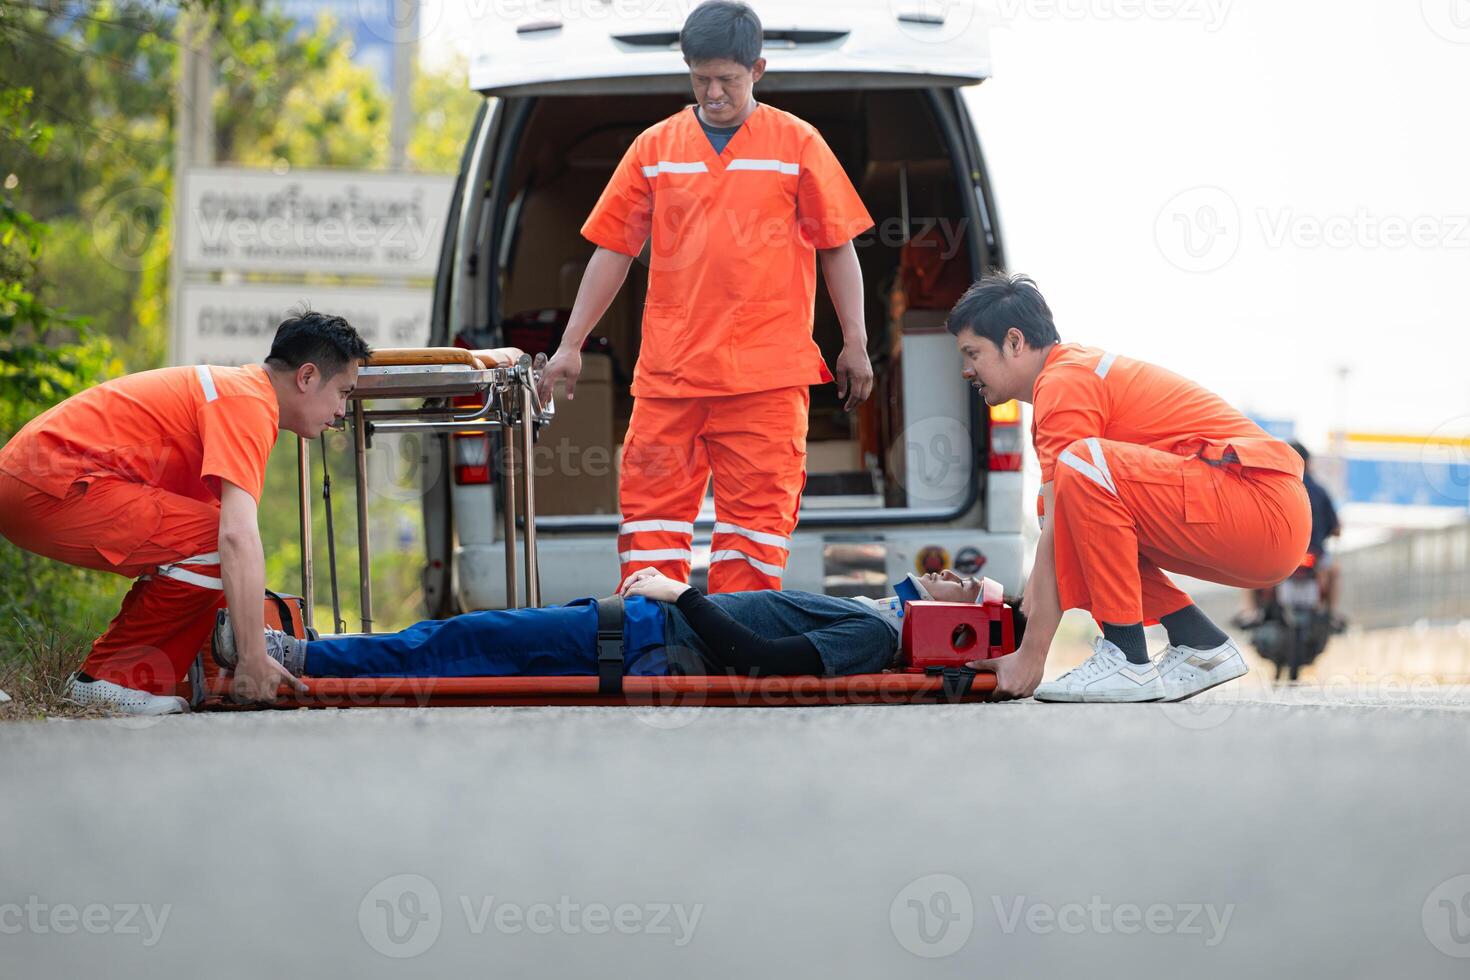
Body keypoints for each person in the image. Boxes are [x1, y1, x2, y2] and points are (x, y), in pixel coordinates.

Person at [535, 0, 876, 594]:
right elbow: (612, 250)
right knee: (651, 534)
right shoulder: (655, 148)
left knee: (756, 540)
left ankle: (737, 674)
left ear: (758, 70)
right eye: (700, 79)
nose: (713, 92)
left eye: (728, 80)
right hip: (672, 377)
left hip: (765, 382)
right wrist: (570, 345)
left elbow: (837, 246)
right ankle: (652, 662)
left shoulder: (797, 144)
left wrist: (856, 343)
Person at [949, 273, 1311, 703]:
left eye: (973, 353)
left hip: (1261, 506)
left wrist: (1030, 655)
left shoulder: (1064, 381)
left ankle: (1127, 659)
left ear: (1014, 342)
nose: (966, 369)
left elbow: (1056, 532)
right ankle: (1199, 643)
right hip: (1261, 520)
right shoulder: (1068, 377)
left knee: (1079, 468)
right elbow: (1066, 533)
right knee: (1072, 509)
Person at [0, 311, 370, 715]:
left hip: (32, 479)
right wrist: (251, 655)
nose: (341, 412)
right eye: (343, 392)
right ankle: (108, 681)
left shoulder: (241, 393)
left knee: (208, 533)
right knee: (216, 538)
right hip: (50, 482)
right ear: (307, 377)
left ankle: (149, 678)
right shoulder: (248, 403)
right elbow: (235, 538)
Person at [209, 570, 992, 682]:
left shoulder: (876, 637)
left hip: (648, 637)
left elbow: (766, 661)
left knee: (461, 642)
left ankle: (296, 655)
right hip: (641, 625)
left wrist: (680, 593)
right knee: (468, 640)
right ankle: (305, 655)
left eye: (964, 585)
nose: (946, 576)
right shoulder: (874, 619)